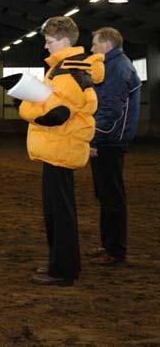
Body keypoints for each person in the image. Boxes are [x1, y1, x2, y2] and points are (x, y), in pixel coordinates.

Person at [18, 16, 104, 286]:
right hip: (59, 148)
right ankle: (61, 265)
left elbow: (57, 113)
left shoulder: (66, 72)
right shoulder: (65, 68)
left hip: (59, 148)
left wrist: (27, 107)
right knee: (58, 212)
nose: (46, 47)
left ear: (65, 40)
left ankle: (63, 271)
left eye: (50, 41)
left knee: (60, 213)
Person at [88, 27, 141, 266]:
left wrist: (94, 139)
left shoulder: (117, 68)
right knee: (107, 195)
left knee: (112, 197)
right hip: (108, 141)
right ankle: (108, 245)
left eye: (94, 44)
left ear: (106, 45)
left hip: (109, 142)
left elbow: (109, 110)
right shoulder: (114, 65)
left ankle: (116, 251)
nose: (91, 49)